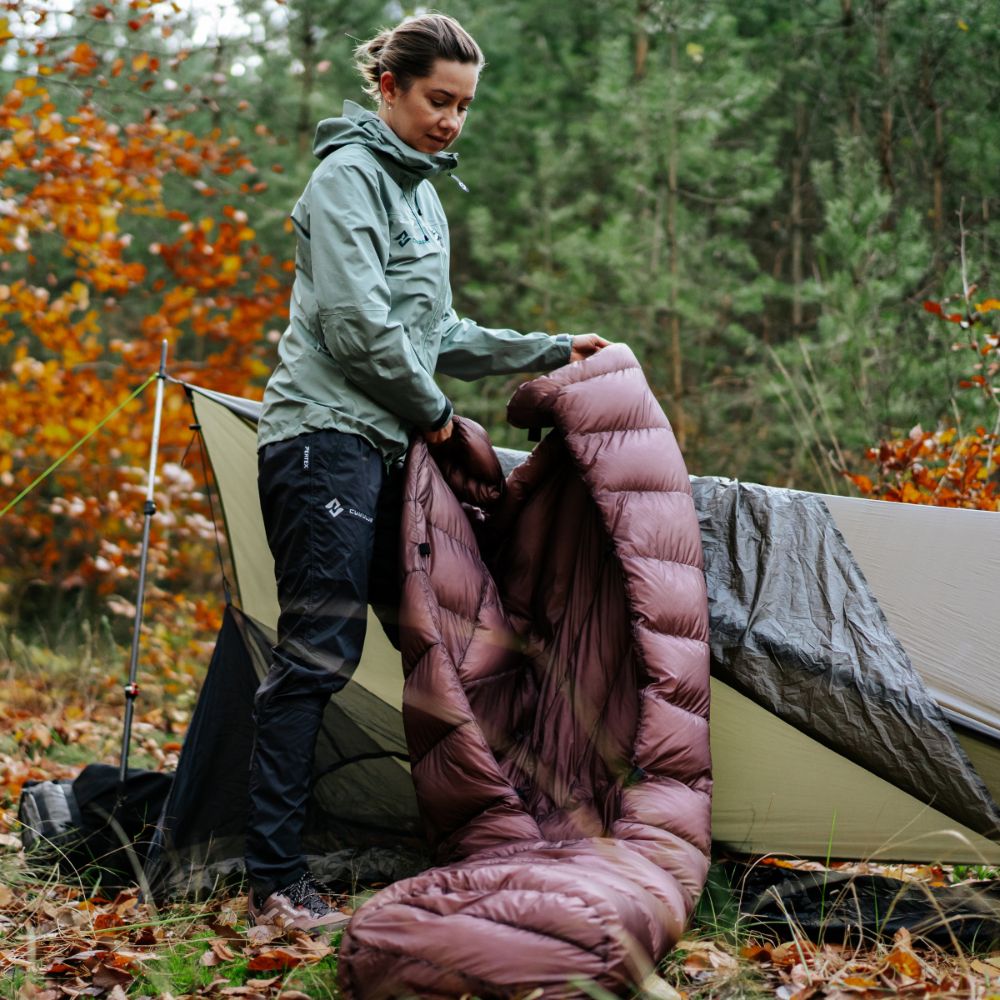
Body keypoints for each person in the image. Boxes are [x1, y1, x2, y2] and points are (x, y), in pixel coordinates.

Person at [246, 12, 609, 932]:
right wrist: (443, 422)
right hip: (321, 441)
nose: (451, 120)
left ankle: (489, 840)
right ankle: (274, 883)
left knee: (444, 647)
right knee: (317, 655)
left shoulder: (423, 198)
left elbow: (437, 332)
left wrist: (550, 348)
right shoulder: (347, 178)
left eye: (464, 106)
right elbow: (356, 329)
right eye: (437, 100)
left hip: (388, 453)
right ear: (390, 88)